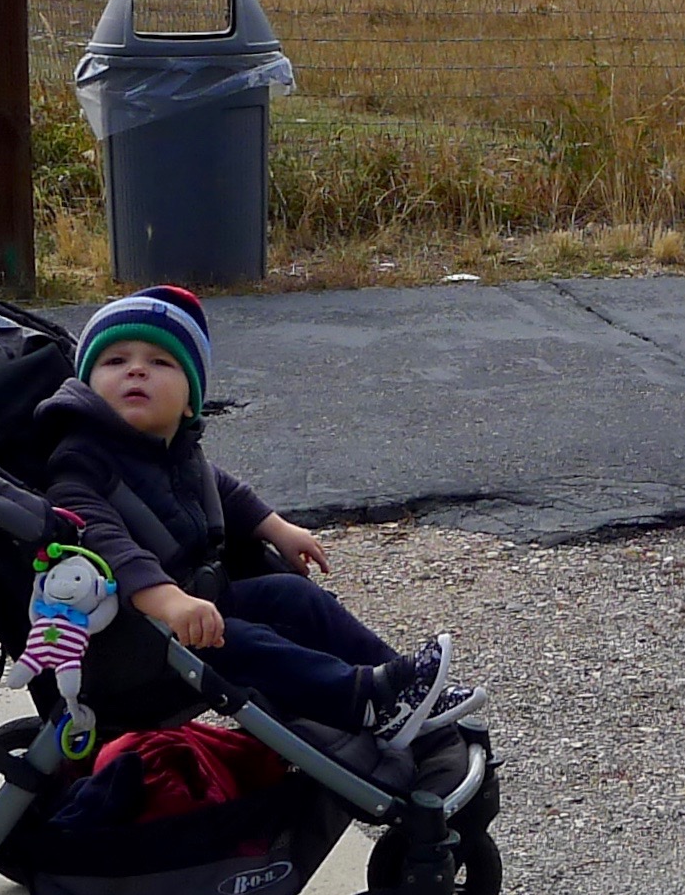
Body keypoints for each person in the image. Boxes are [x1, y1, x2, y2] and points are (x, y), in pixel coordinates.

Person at [36, 288, 467, 744]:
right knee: (245, 642)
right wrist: (168, 601)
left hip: (197, 606)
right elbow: (104, 543)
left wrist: (276, 527)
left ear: (189, 402)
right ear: (87, 388)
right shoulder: (79, 464)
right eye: (115, 361)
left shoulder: (173, 450)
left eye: (160, 362)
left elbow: (220, 489)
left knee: (292, 595)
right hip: (139, 635)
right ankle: (362, 699)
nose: (136, 369)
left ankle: (400, 685)